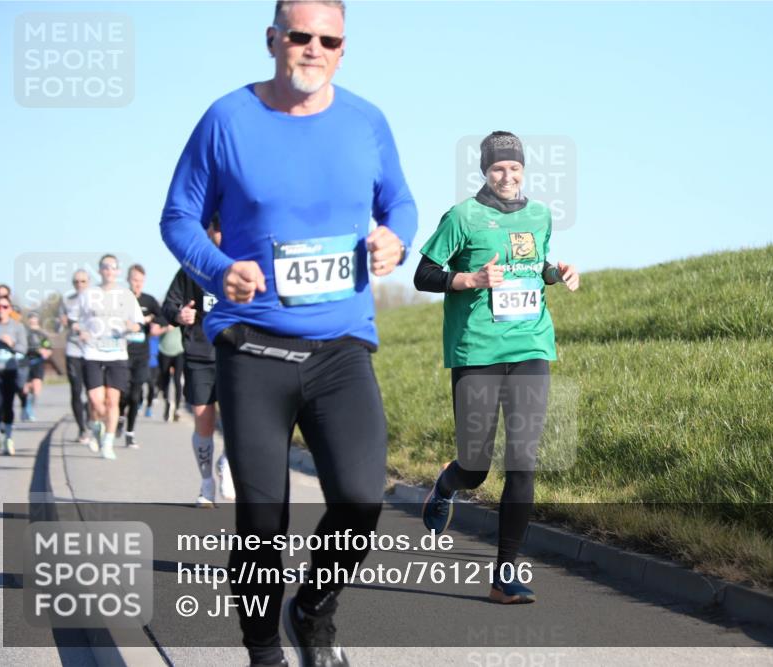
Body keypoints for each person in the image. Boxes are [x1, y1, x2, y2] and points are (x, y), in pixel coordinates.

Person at [160, 1, 416, 664]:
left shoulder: (366, 121)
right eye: (300, 36)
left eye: (329, 40)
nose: (314, 49)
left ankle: (312, 608)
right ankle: (263, 650)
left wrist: (396, 239)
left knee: (360, 498)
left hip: (341, 348)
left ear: (343, 48)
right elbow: (178, 218)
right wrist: (220, 269)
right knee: (261, 520)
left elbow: (400, 202)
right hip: (253, 347)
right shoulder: (227, 120)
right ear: (273, 38)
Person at [416, 131, 580, 604]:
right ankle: (447, 484)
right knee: (475, 467)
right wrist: (470, 279)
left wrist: (556, 273)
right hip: (478, 351)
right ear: (485, 171)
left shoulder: (540, 214)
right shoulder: (462, 217)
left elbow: (535, 264)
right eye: (498, 169)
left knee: (523, 463)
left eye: (515, 168)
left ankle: (504, 574)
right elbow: (424, 274)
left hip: (531, 345)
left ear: (524, 170)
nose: (507, 176)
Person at [162, 216, 236, 507]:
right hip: (201, 355)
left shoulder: (244, 262)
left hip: (237, 354)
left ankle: (227, 464)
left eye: (227, 227)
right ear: (209, 231)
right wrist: (179, 315)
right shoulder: (192, 268)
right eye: (218, 228)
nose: (222, 234)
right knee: (204, 422)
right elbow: (169, 305)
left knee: (238, 420)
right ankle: (206, 483)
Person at [76, 254, 143, 460]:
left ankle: (108, 443)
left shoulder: (126, 295)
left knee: (113, 401)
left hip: (117, 352)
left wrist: (131, 326)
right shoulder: (88, 294)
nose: (109, 271)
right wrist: (80, 330)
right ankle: (97, 426)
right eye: (105, 267)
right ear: (100, 270)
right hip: (93, 351)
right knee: (96, 401)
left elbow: (138, 324)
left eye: (113, 267)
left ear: (118, 271)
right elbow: (74, 320)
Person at [116, 264, 165, 447]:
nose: (137, 284)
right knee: (123, 394)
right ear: (128, 280)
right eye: (135, 280)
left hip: (142, 354)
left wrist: (152, 320)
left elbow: (163, 317)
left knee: (136, 396)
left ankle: (130, 433)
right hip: (122, 353)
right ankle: (120, 416)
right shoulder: (120, 299)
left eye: (141, 281)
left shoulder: (149, 301)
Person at [0, 296, 28, 455]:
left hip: (10, 370)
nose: (2, 309)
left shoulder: (17, 327)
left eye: (5, 306)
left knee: (8, 405)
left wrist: (12, 343)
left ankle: (8, 438)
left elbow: (23, 349)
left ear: (10, 309)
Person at [59, 270, 92, 444]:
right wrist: (62, 323)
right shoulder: (67, 301)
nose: (80, 284)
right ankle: (82, 429)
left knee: (93, 391)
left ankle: (90, 417)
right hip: (73, 350)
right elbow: (59, 327)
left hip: (92, 351)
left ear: (89, 282)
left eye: (83, 281)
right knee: (76, 390)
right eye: (76, 281)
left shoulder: (96, 299)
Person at [22, 313, 53, 421]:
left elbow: (48, 347)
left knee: (36, 387)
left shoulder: (42, 334)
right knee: (26, 388)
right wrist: (35, 350)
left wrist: (46, 352)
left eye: (35, 318)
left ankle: (30, 409)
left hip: (38, 361)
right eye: (31, 318)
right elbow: (22, 346)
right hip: (25, 361)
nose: (33, 320)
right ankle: (25, 407)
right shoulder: (25, 332)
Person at [156, 324, 184, 422]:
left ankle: (177, 408)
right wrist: (165, 329)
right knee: (165, 380)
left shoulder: (182, 317)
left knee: (177, 379)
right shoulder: (163, 317)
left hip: (179, 351)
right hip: (164, 351)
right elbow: (153, 331)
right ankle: (167, 404)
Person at [144, 332, 160, 417]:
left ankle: (149, 407)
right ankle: (139, 402)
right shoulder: (145, 336)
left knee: (152, 386)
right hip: (143, 365)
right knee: (140, 386)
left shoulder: (159, 338)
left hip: (155, 366)